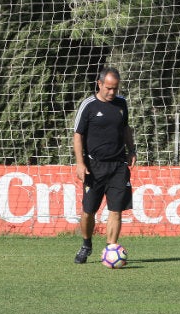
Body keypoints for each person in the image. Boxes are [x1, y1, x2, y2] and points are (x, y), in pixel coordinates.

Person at [72, 67, 137, 264]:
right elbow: (77, 136)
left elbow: (125, 128)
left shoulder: (121, 103)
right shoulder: (88, 105)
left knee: (115, 210)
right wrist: (80, 164)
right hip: (94, 167)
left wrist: (132, 149)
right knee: (88, 211)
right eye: (108, 88)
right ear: (99, 84)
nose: (111, 92)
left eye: (115, 89)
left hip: (118, 165)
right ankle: (86, 244)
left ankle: (111, 249)